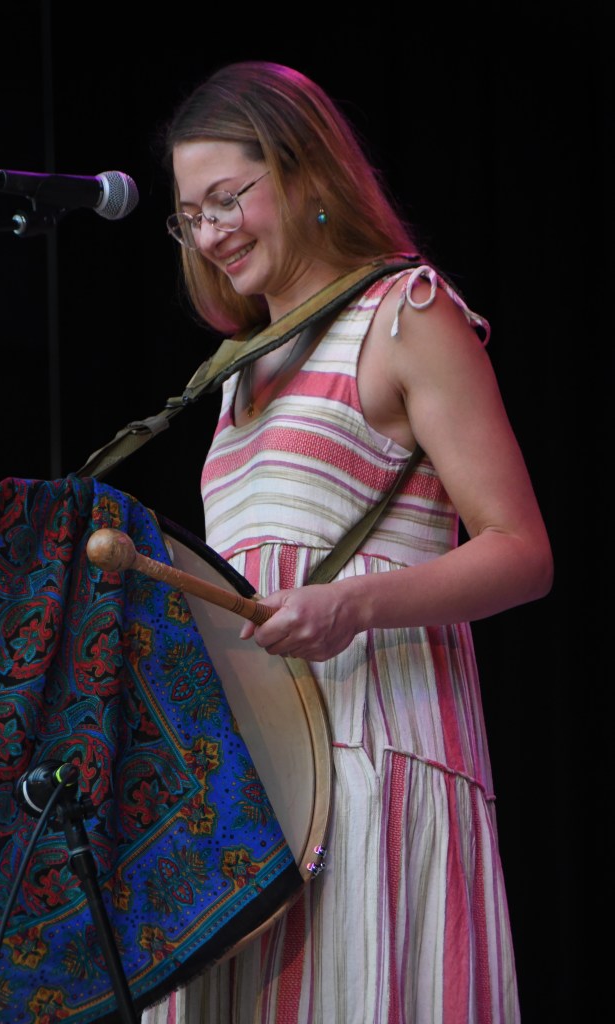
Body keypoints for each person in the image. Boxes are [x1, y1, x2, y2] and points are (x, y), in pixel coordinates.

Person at [143, 61, 553, 1024]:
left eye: (226, 199)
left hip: (375, 757)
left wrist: (351, 604)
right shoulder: (235, 377)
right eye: (189, 216)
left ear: (303, 173)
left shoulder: (405, 314)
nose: (210, 234)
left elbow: (521, 550)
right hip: (255, 787)